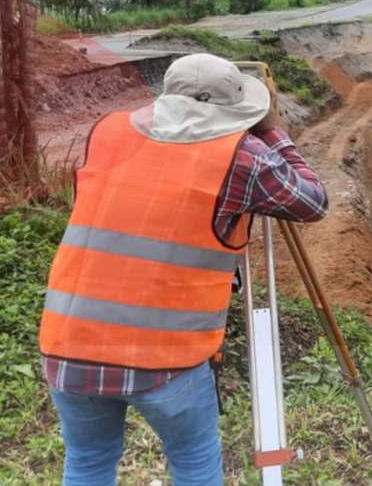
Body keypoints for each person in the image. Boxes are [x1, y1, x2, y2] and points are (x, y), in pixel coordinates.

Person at [38, 53, 328, 486]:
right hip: (165, 359)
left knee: (87, 462)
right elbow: (312, 202)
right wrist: (270, 130)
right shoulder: (242, 155)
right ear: (237, 106)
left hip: (68, 346)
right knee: (193, 460)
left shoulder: (109, 131)